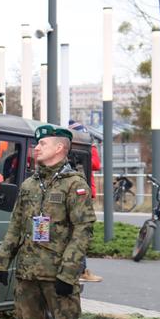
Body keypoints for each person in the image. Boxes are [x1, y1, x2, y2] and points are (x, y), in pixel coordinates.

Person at [0, 125, 96, 319]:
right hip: (28, 273)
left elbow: (83, 231)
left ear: (60, 148)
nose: (36, 148)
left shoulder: (75, 185)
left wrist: (68, 272)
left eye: (43, 144)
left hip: (58, 275)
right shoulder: (29, 185)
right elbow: (15, 226)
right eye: (37, 144)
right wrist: (2, 261)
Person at [68, 120, 103, 283]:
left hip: (79, 193)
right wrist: (92, 147)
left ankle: (79, 269)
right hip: (82, 195)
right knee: (81, 232)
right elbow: (95, 164)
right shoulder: (84, 150)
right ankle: (81, 270)